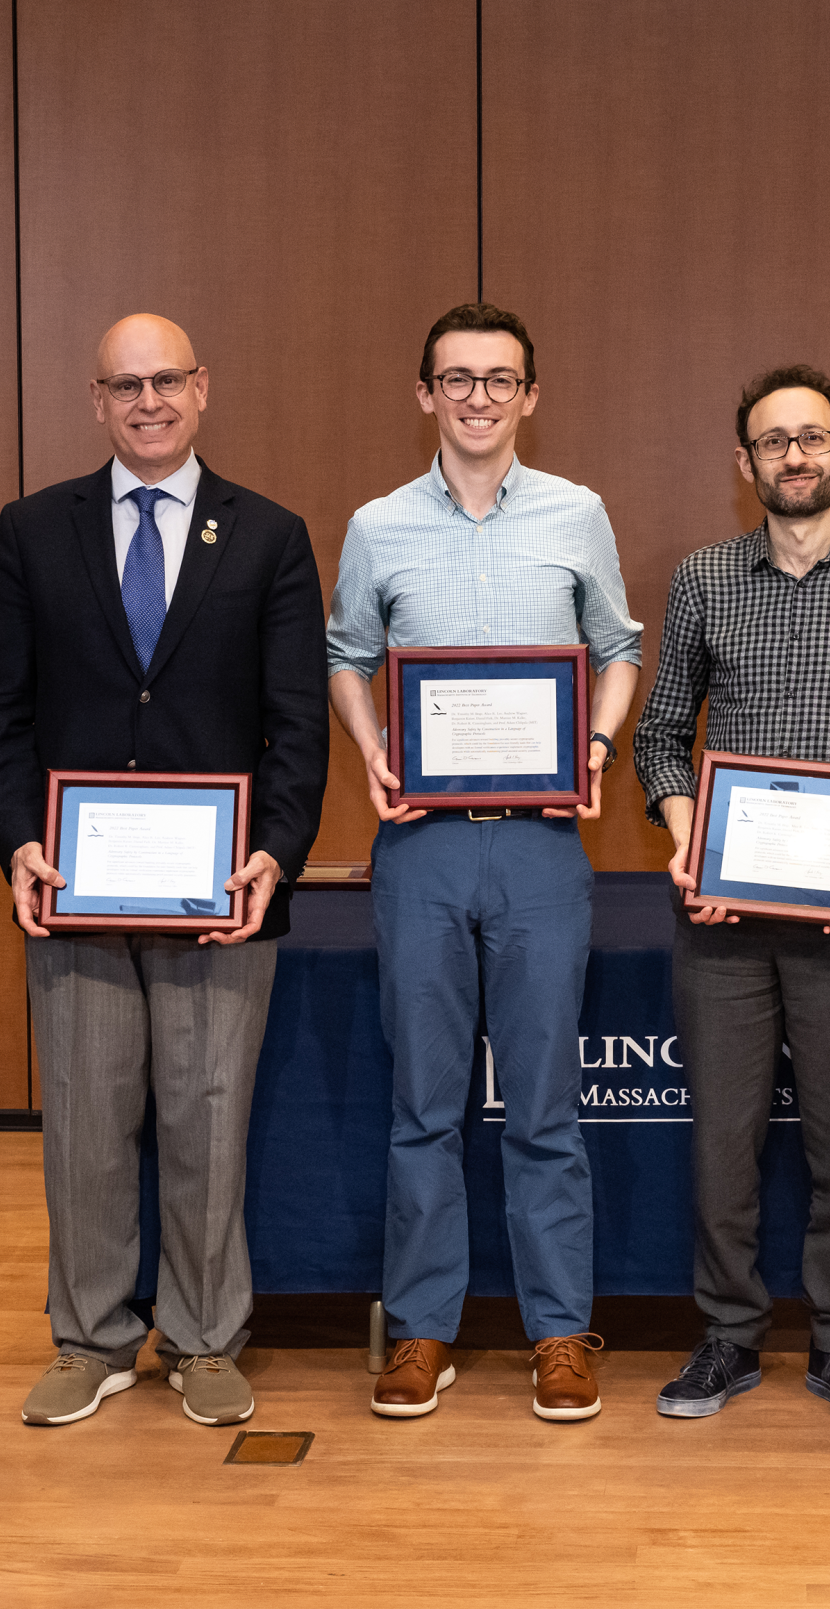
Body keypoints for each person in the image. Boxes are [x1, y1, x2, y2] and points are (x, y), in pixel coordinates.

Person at [0, 314, 328, 1431]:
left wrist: (273, 852)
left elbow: (297, 721)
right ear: (96, 401)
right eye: (124, 385)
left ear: (201, 387)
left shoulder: (268, 534)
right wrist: (19, 840)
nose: (147, 401)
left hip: (219, 894)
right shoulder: (34, 530)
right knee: (83, 1117)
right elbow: (0, 709)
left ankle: (208, 1338)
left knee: (208, 1116)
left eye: (165, 378)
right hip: (74, 888)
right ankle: (90, 1338)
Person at [326, 303, 641, 1422]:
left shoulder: (576, 514)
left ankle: (560, 1331)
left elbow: (617, 648)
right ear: (424, 394)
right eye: (455, 378)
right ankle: (420, 1331)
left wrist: (597, 746)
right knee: (424, 1104)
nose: (476, 397)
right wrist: (368, 751)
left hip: (542, 844)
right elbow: (350, 655)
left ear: (528, 395)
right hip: (418, 846)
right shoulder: (377, 524)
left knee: (544, 1105)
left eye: (498, 379)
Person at [633, 364, 830, 1426]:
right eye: (773, 442)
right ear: (745, 463)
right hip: (721, 914)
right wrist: (687, 848)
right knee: (721, 1138)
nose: (795, 456)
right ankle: (726, 1335)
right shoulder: (703, 578)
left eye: (812, 437)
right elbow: (659, 734)